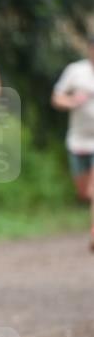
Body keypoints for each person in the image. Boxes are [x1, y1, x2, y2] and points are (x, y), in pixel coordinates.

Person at [51, 35, 94, 250]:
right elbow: (56, 98)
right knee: (85, 192)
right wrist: (71, 101)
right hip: (78, 140)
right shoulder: (76, 71)